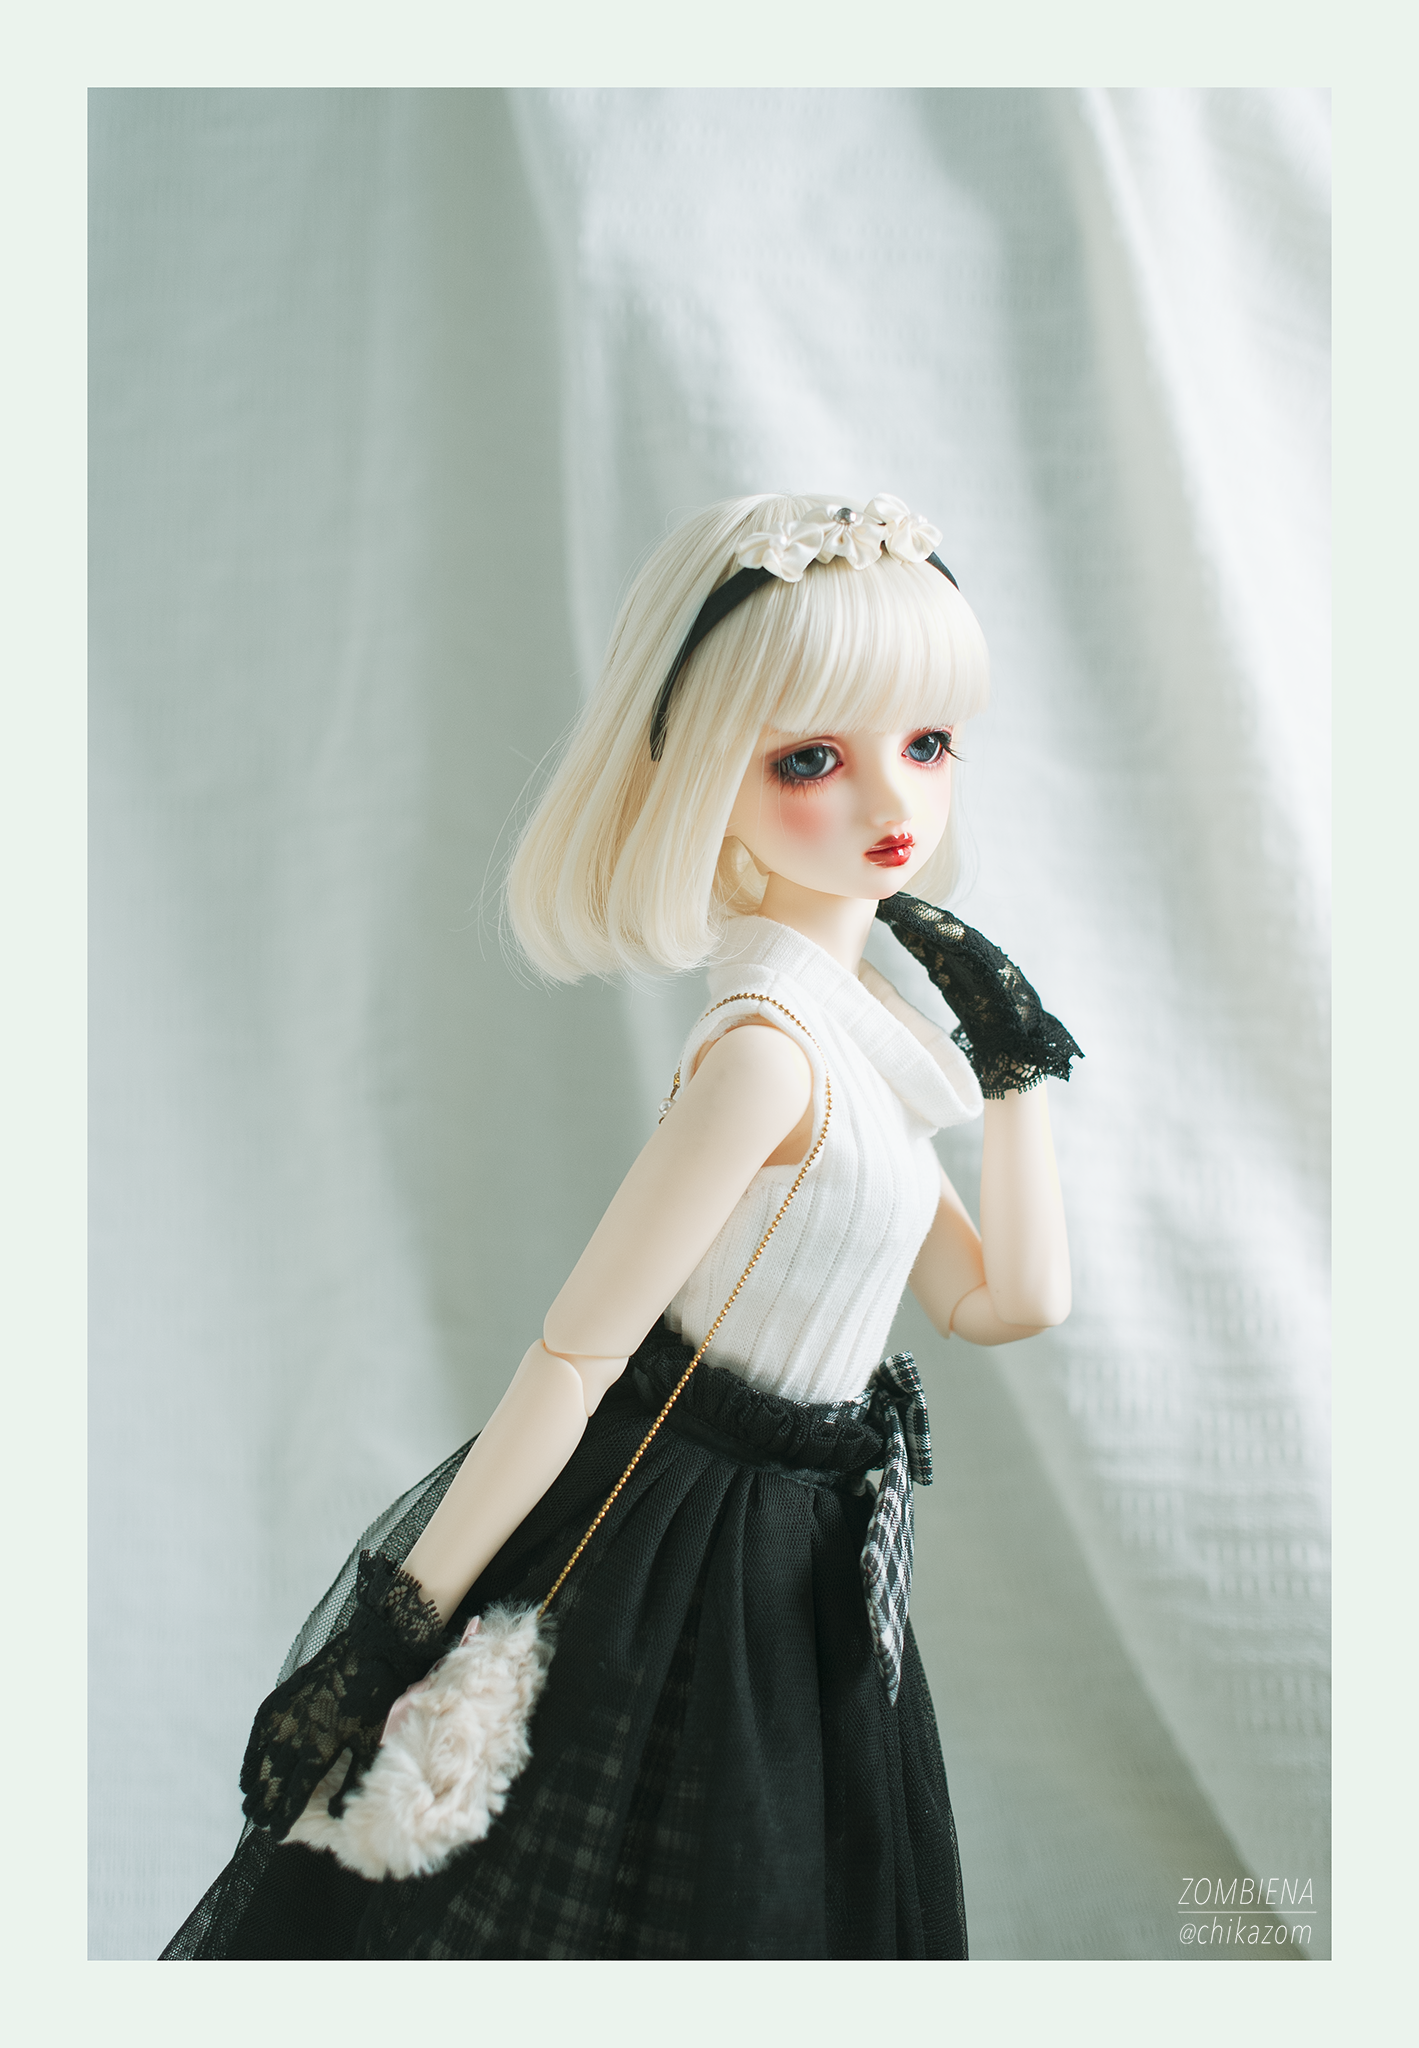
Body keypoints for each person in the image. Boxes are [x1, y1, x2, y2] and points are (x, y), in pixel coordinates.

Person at [162, 492, 1079, 1961]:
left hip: (807, 1549)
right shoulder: (767, 1052)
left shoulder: (863, 1036)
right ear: (709, 773)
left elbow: (1003, 1301)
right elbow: (575, 1357)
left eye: (926, 743)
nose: (887, 801)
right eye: (810, 760)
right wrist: (401, 1624)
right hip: (683, 1539)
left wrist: (1016, 1074)